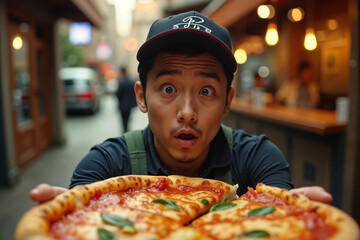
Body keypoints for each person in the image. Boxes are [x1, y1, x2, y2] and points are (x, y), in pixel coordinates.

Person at [30, 11, 332, 204]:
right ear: (142, 97)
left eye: (205, 90)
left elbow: (282, 225)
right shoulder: (106, 166)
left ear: (227, 101)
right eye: (169, 89)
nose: (187, 111)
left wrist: (289, 217)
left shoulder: (258, 159)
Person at [115, 66, 137, 132]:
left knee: (123, 121)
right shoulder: (131, 81)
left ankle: (125, 132)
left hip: (122, 105)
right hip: (130, 105)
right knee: (128, 119)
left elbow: (118, 94)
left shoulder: (121, 82)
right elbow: (134, 93)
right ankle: (127, 131)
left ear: (121, 72)